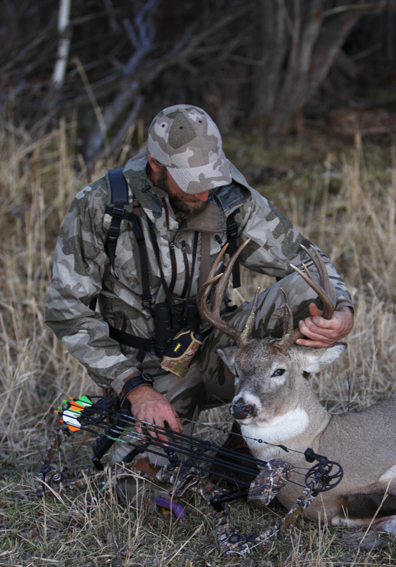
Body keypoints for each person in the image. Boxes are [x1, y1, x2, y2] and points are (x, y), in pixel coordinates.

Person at [45, 104, 353, 471]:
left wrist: (343, 312)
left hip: (225, 352)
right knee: (137, 484)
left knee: (309, 293)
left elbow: (306, 260)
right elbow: (67, 311)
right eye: (194, 182)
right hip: (149, 372)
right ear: (155, 166)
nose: (207, 191)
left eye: (212, 176)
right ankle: (151, 432)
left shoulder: (231, 196)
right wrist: (134, 389)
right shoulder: (102, 207)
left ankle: (249, 440)